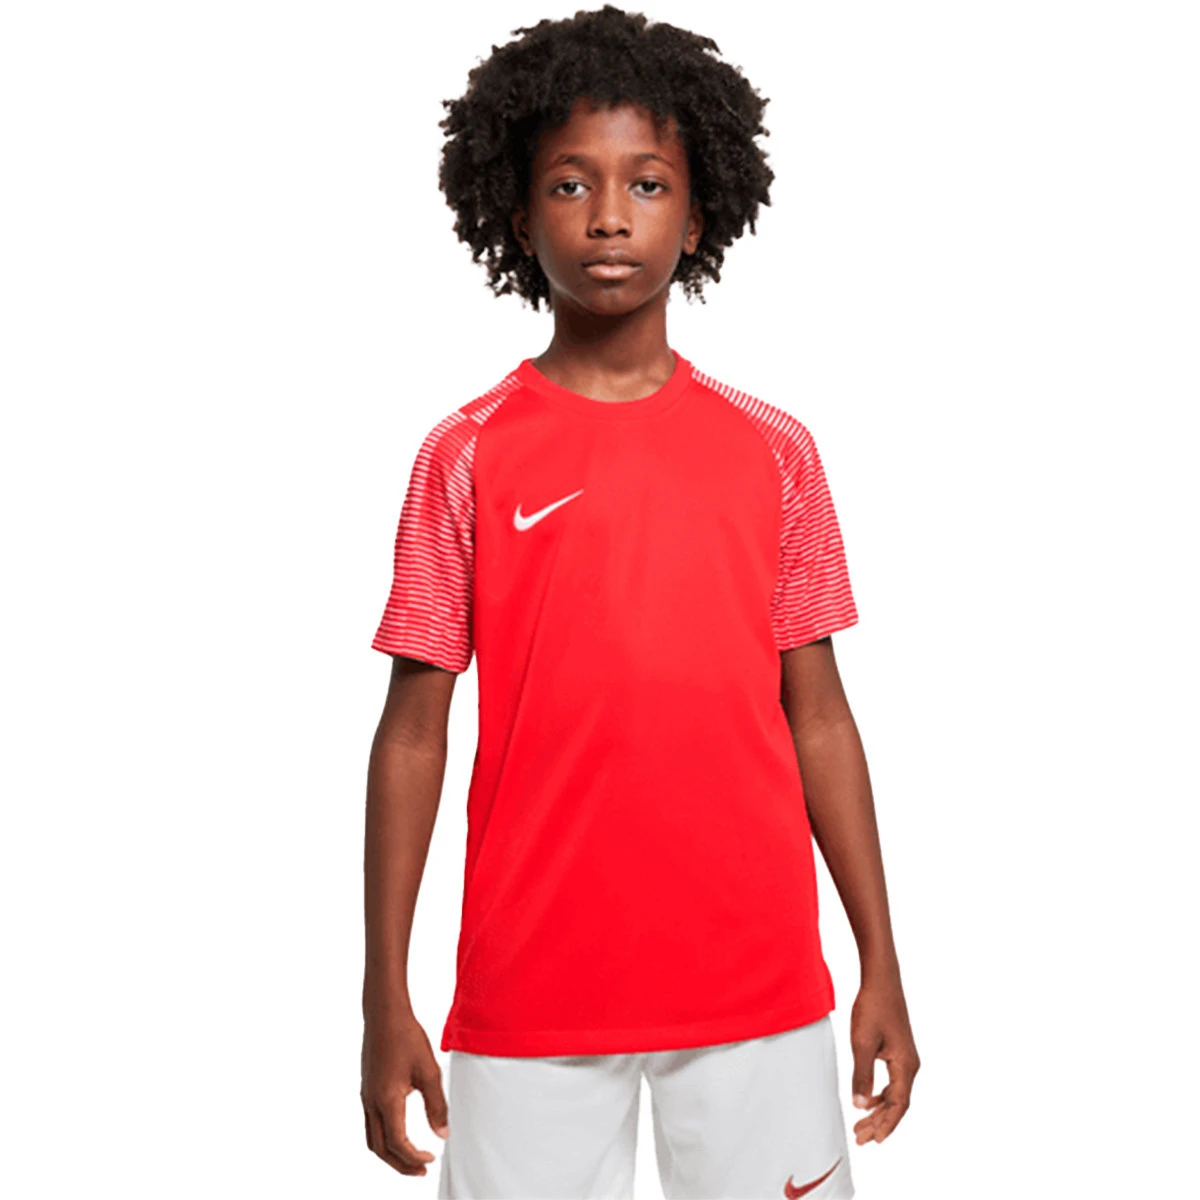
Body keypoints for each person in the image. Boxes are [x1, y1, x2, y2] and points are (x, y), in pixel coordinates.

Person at [360, 7, 919, 1197]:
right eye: (570, 184)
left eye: (647, 184)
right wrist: (382, 994)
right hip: (529, 991)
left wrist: (881, 957)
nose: (609, 216)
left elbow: (819, 715)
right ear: (517, 215)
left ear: (698, 214)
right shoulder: (465, 454)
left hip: (757, 988)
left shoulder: (775, 450)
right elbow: (412, 733)